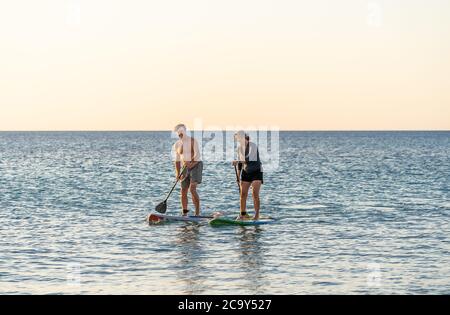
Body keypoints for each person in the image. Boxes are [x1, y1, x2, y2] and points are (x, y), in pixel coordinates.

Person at [173, 124, 203, 216]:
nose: (180, 133)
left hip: (196, 165)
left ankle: (197, 213)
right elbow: (177, 161)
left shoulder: (193, 141)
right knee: (183, 190)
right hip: (184, 168)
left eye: (181, 131)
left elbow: (197, 155)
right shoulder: (177, 144)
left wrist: (192, 164)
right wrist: (178, 173)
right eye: (178, 132)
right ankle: (184, 212)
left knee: (192, 189)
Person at [232, 131, 263, 220]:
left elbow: (247, 160)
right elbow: (241, 164)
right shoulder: (239, 149)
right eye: (236, 139)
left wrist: (237, 161)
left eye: (238, 138)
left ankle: (256, 215)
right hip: (246, 172)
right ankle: (243, 214)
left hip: (257, 172)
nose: (237, 140)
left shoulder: (252, 146)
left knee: (255, 194)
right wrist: (238, 176)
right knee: (243, 194)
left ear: (243, 137)